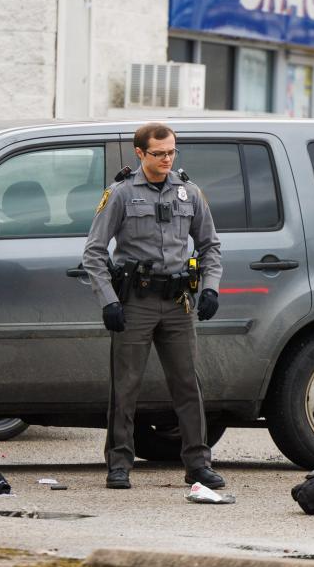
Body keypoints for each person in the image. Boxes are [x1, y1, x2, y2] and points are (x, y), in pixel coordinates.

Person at [82, 122, 224, 491]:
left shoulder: (189, 192)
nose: (166, 159)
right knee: (125, 386)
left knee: (188, 385)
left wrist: (210, 288)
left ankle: (198, 464)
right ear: (140, 153)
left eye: (171, 152)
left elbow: (210, 246)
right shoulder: (121, 194)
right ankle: (118, 463)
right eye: (158, 153)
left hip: (178, 303)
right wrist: (109, 301)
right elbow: (94, 253)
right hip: (137, 303)